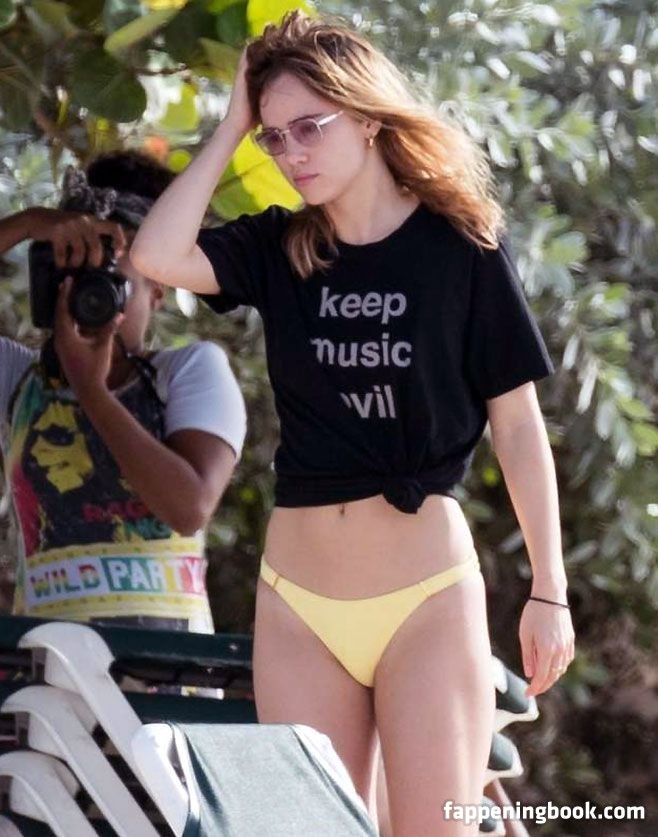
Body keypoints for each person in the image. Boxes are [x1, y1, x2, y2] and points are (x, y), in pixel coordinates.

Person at [130, 11, 575, 834]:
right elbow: (154, 256)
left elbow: (517, 425)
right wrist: (232, 127)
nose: (291, 153)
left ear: (368, 117)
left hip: (426, 598)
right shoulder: (279, 247)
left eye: (310, 127)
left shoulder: (460, 247)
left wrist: (549, 588)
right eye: (275, 138)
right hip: (298, 604)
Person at [0, 150, 246, 634]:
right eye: (74, 277)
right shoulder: (21, 380)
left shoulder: (189, 370)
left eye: (113, 281)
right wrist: (29, 224)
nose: (90, 296)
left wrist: (92, 391)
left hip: (166, 667)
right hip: (49, 665)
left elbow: (189, 508)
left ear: (157, 289)